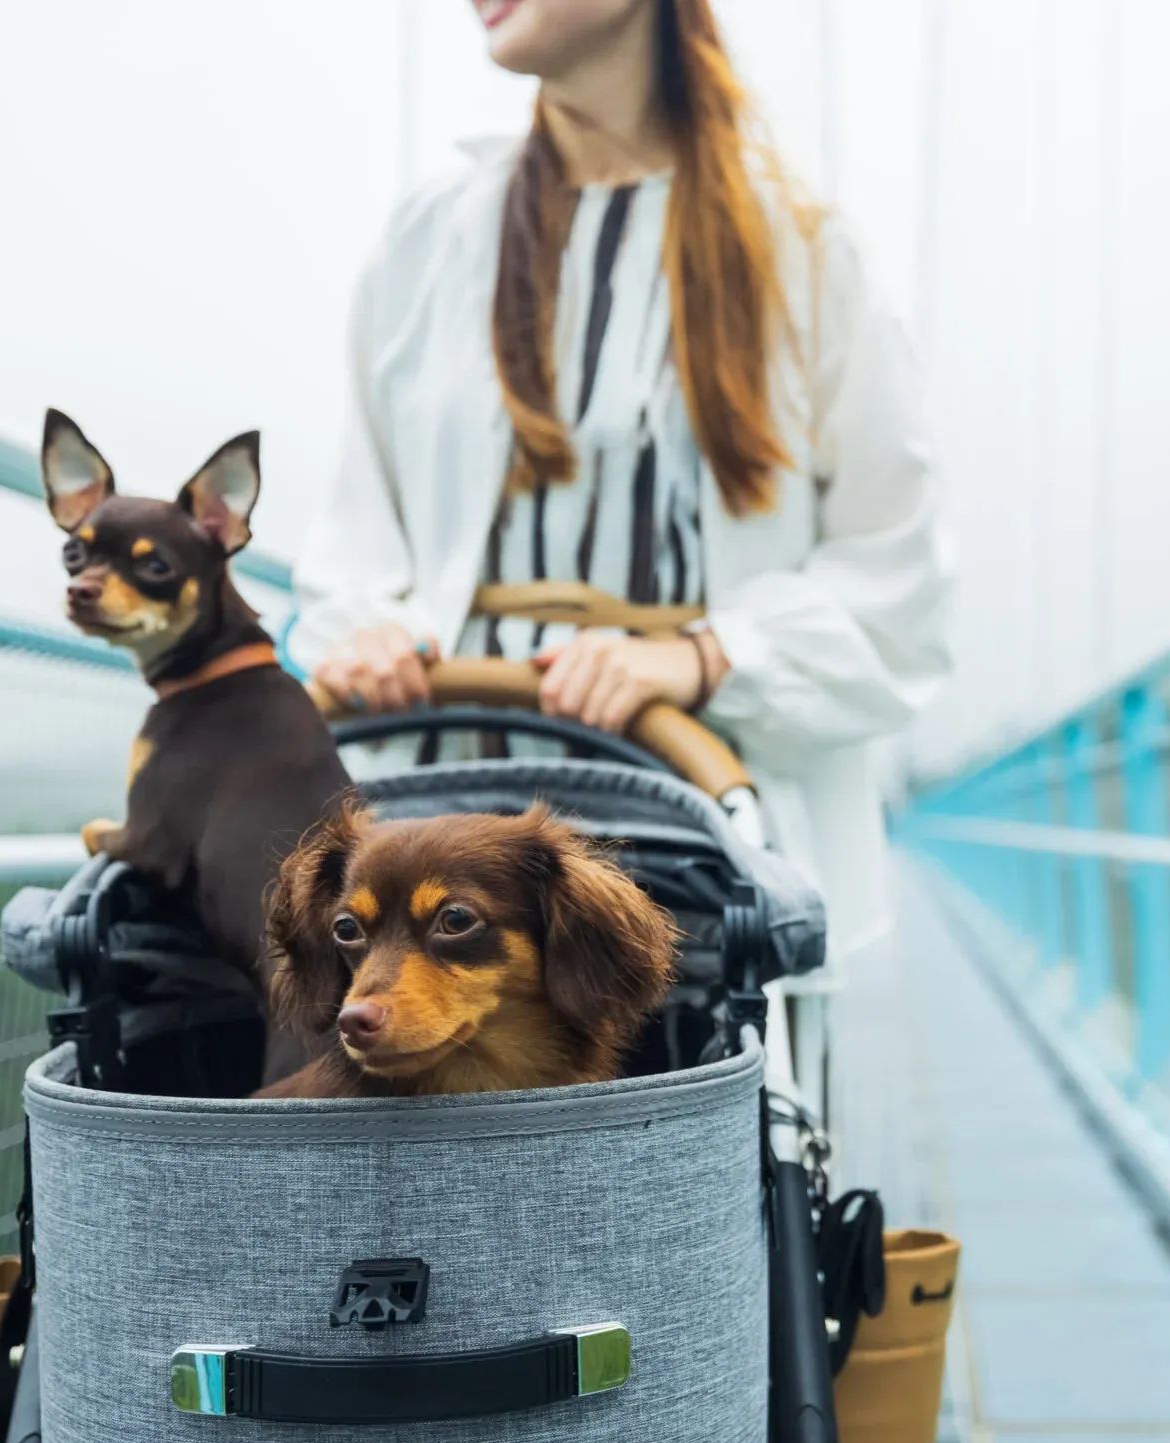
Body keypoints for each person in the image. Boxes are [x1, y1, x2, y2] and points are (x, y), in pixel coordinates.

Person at [289, 0, 949, 971]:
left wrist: (703, 654)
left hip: (703, 853)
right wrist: (368, 631)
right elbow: (355, 539)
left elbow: (898, 581)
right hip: (429, 846)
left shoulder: (801, 250)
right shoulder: (425, 242)